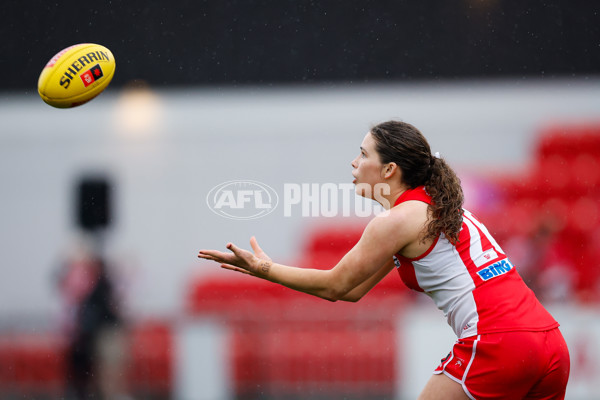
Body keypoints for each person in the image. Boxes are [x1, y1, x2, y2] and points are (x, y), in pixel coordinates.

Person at [198, 120, 570, 399]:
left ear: (389, 170)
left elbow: (335, 286)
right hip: (551, 344)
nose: (354, 163)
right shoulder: (439, 208)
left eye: (363, 154)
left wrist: (264, 269)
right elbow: (354, 292)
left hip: (500, 344)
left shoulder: (396, 221)